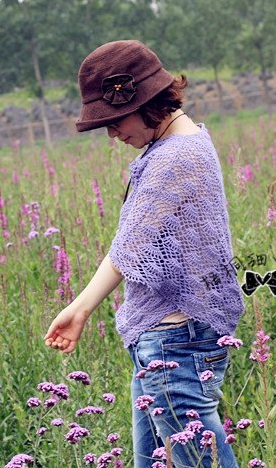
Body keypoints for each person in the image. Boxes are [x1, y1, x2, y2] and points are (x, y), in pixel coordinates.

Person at [44, 40, 245, 468]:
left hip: (175, 344)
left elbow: (131, 245)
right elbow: (133, 242)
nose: (113, 134)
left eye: (116, 121)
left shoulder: (175, 156)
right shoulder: (184, 142)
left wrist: (80, 309)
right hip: (172, 339)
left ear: (148, 101)